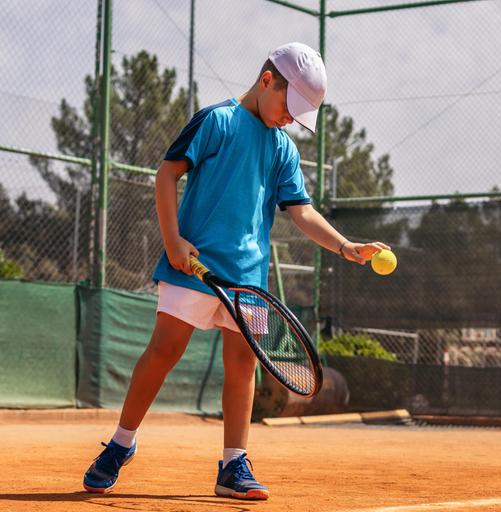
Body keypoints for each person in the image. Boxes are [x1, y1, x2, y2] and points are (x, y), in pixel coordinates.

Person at [83, 42, 390, 501]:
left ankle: (233, 464)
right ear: (268, 81)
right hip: (192, 265)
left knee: (242, 365)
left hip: (248, 281)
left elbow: (301, 212)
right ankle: (121, 443)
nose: (291, 119)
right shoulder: (217, 121)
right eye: (290, 106)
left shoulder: (283, 149)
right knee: (163, 351)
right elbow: (167, 175)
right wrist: (172, 241)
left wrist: (346, 246)